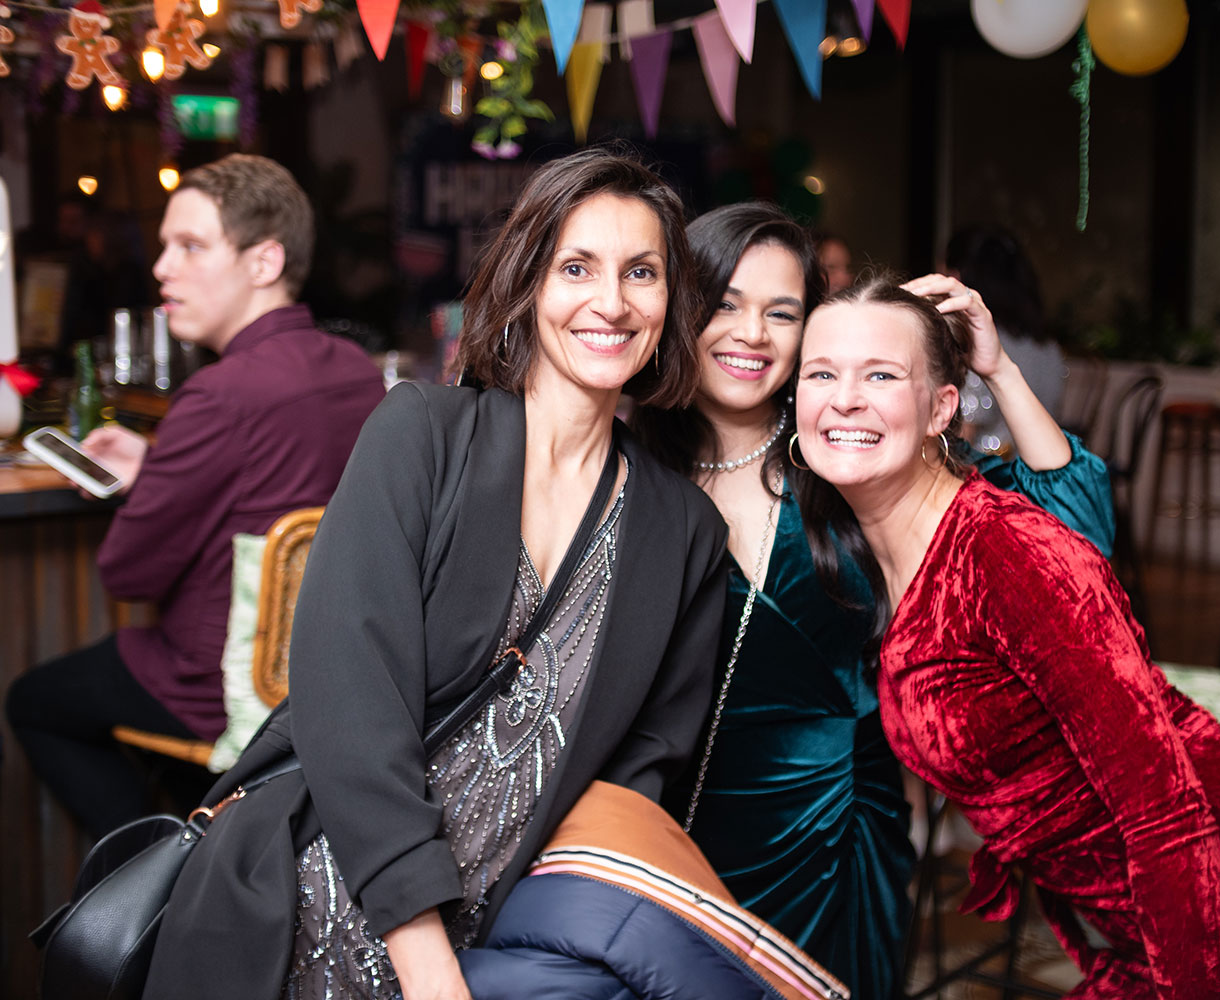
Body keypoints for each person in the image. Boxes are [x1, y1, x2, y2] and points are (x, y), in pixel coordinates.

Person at [141, 148, 730, 1000]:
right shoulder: (422, 432)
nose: (611, 302)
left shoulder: (684, 534)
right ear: (528, 283)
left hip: (506, 938)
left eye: (641, 272)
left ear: (669, 299)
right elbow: (349, 693)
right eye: (577, 267)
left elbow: (638, 776)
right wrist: (424, 960)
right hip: (316, 896)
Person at [793, 271, 1220, 999]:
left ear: (939, 409)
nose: (844, 397)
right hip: (1139, 924)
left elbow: (1165, 815)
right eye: (820, 372)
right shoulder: (868, 557)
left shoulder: (1004, 551)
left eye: (881, 374)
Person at [631, 203, 1114, 999]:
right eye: (726, 304)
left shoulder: (850, 461)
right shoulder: (631, 472)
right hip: (667, 825)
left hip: (833, 831)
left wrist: (1000, 369)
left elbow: (1074, 539)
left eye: (781, 313)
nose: (751, 333)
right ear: (685, 310)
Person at [6, 155, 386, 838]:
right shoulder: (352, 370)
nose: (161, 268)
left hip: (219, 683)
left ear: (264, 262)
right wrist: (159, 462)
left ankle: (156, 891)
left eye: (189, 247)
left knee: (34, 700)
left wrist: (156, 476)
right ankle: (211, 842)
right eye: (164, 246)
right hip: (330, 676)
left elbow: (128, 573)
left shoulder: (218, 394)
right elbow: (277, 478)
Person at [945, 224, 1064, 454]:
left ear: (956, 278)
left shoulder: (976, 344)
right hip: (1037, 470)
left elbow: (962, 437)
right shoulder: (1047, 346)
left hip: (990, 476)